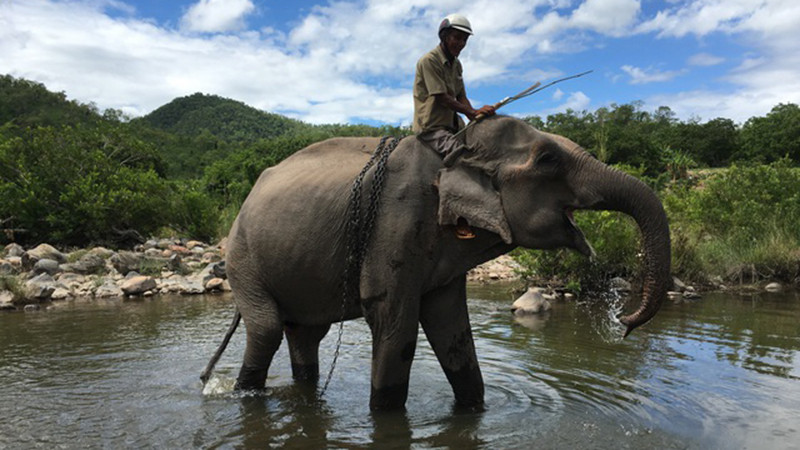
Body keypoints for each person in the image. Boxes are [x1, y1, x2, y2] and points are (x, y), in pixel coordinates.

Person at [413, 13, 496, 239]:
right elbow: (442, 98)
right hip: (432, 127)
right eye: (456, 38)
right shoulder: (429, 61)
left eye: (464, 40)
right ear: (444, 36)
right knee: (459, 157)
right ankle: (457, 217)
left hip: (453, 125)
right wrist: (472, 111)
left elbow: (461, 96)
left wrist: (477, 119)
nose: (460, 44)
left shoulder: (456, 65)